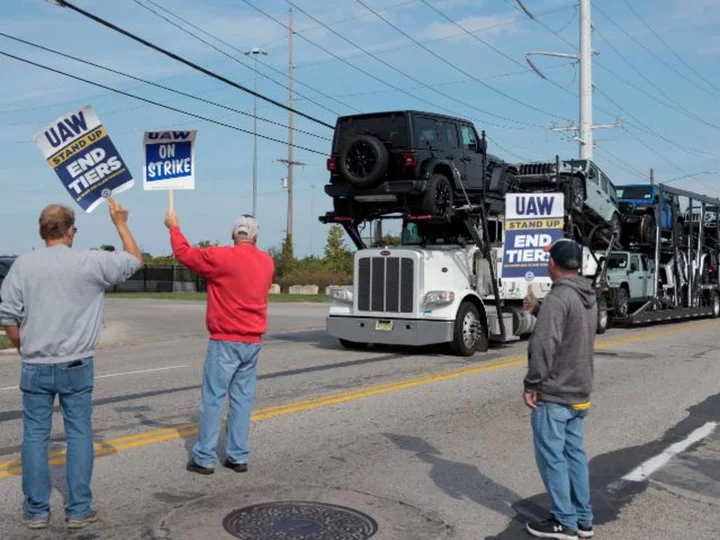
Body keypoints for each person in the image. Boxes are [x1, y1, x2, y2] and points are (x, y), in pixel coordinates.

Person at [0, 200, 142, 530]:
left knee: (35, 436)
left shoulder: (23, 264)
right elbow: (135, 260)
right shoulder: (89, 261)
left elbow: (8, 316)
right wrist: (120, 223)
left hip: (35, 363)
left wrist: (23, 346)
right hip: (77, 364)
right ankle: (78, 509)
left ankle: (36, 511)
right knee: (78, 434)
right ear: (70, 231)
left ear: (41, 231)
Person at [164, 211, 274, 475]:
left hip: (225, 339)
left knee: (213, 399)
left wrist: (174, 227)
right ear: (256, 236)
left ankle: (204, 457)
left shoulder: (221, 257)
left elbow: (184, 254)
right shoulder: (267, 262)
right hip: (252, 341)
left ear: (232, 234)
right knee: (242, 401)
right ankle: (238, 456)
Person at [522, 239, 597, 540]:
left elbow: (545, 344)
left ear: (553, 264)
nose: (546, 264)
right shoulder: (587, 295)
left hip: (556, 393)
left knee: (552, 457)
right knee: (574, 455)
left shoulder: (558, 298)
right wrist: (539, 308)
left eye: (548, 260)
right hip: (580, 390)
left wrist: (532, 383)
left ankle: (564, 522)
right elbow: (571, 327)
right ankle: (583, 520)